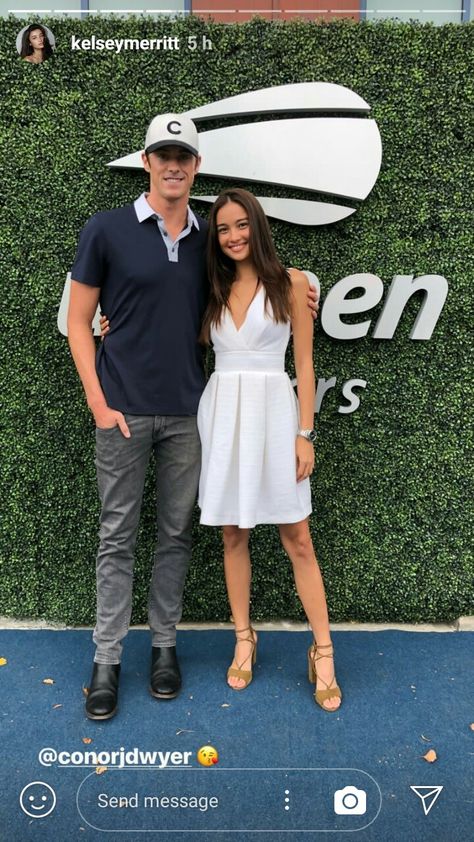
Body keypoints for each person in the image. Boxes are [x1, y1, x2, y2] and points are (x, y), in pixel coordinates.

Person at [70, 112, 319, 721]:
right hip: (122, 412)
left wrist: (306, 282)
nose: (173, 164)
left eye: (183, 155)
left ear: (196, 166)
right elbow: (78, 320)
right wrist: (99, 404)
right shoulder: (106, 230)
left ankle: (162, 649)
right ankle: (107, 660)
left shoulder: (210, 240)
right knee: (116, 537)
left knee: (177, 536)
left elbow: (254, 271)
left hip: (189, 415)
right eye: (163, 154)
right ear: (147, 161)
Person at [197, 188, 341, 711]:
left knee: (297, 536)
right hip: (223, 416)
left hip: (277, 417)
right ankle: (243, 638)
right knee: (233, 532)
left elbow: (303, 366)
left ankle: (323, 651)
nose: (233, 236)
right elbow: (162, 325)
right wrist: (107, 323)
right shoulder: (209, 287)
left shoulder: (293, 284)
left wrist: (305, 434)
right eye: (223, 228)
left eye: (241, 225)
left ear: (257, 226)